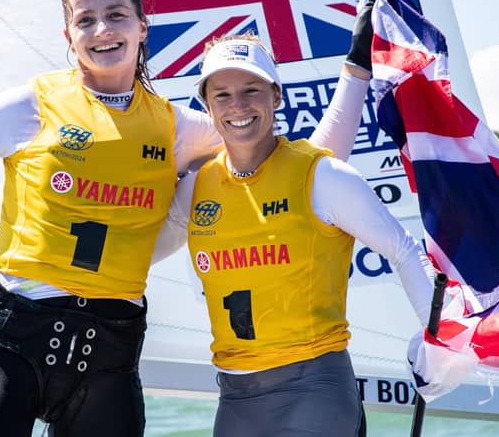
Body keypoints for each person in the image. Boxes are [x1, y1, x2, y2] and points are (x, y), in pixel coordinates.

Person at [0, 0, 374, 437]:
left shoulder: (178, 128)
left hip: (108, 353)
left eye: (116, 15)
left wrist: (355, 70)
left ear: (141, 28)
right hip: (12, 337)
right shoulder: (30, 105)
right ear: (68, 35)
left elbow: (311, 168)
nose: (102, 30)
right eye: (85, 20)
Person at [153, 23, 436, 436]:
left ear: (276, 95)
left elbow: (405, 250)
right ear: (207, 107)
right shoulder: (196, 188)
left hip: (316, 389)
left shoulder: (324, 175)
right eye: (223, 95)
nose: (238, 105)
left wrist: (437, 339)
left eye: (252, 90)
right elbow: (131, 258)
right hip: (236, 398)